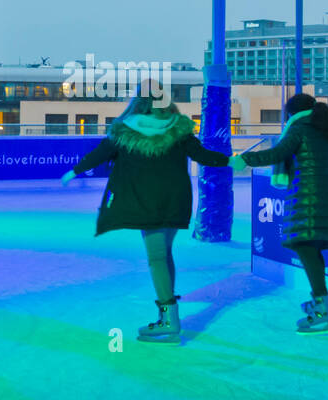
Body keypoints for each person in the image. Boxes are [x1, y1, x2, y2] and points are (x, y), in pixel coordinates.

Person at [62, 92, 230, 344]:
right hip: (175, 201)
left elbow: (99, 154)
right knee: (164, 254)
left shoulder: (125, 131)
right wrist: (230, 161)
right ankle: (169, 308)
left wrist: (74, 171)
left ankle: (169, 320)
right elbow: (202, 156)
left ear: (137, 106)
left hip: (144, 202)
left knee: (156, 258)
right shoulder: (178, 129)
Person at [228, 94, 328, 333]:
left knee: (305, 245)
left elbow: (278, 153)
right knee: (309, 247)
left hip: (307, 198)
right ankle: (321, 304)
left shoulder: (299, 128)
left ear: (291, 114)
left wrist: (245, 158)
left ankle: (323, 307)